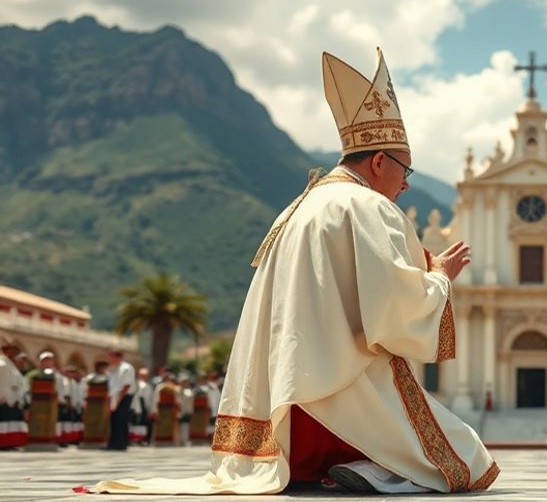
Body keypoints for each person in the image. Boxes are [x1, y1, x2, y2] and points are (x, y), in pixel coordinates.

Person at [91, 48, 497, 495]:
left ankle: (350, 466)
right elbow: (394, 313)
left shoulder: (303, 203)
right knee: (469, 462)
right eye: (405, 170)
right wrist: (438, 276)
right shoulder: (370, 206)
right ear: (380, 161)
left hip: (285, 395)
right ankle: (374, 470)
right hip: (340, 384)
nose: (406, 184)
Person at [105, 350, 137, 450]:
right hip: (114, 396)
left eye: (111, 357)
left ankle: (121, 444)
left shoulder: (127, 368)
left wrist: (117, 400)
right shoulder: (112, 369)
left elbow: (126, 386)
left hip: (123, 396)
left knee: (121, 419)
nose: (109, 359)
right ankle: (113, 443)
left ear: (117, 357)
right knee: (114, 420)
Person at [0, 338, 28, 450]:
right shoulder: (2, 363)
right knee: (3, 423)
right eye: (12, 351)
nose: (14, 353)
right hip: (4, 398)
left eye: (15, 351)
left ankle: (10, 443)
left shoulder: (11, 365)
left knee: (11, 423)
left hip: (14, 398)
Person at [130, 368, 153, 445]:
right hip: (137, 406)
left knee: (143, 423)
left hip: (144, 407)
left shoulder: (148, 386)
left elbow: (149, 399)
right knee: (136, 423)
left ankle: (141, 439)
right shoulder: (137, 384)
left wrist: (150, 410)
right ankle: (135, 439)